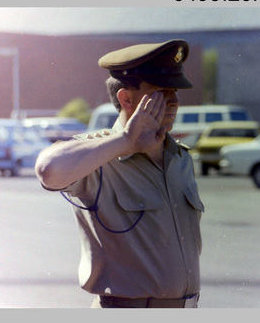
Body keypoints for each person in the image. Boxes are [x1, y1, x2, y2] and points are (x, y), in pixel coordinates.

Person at [35, 40, 204, 308]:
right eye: (162, 92)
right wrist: (126, 141)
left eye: (176, 91)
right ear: (126, 98)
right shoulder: (98, 155)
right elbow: (49, 170)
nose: (174, 101)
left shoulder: (180, 157)